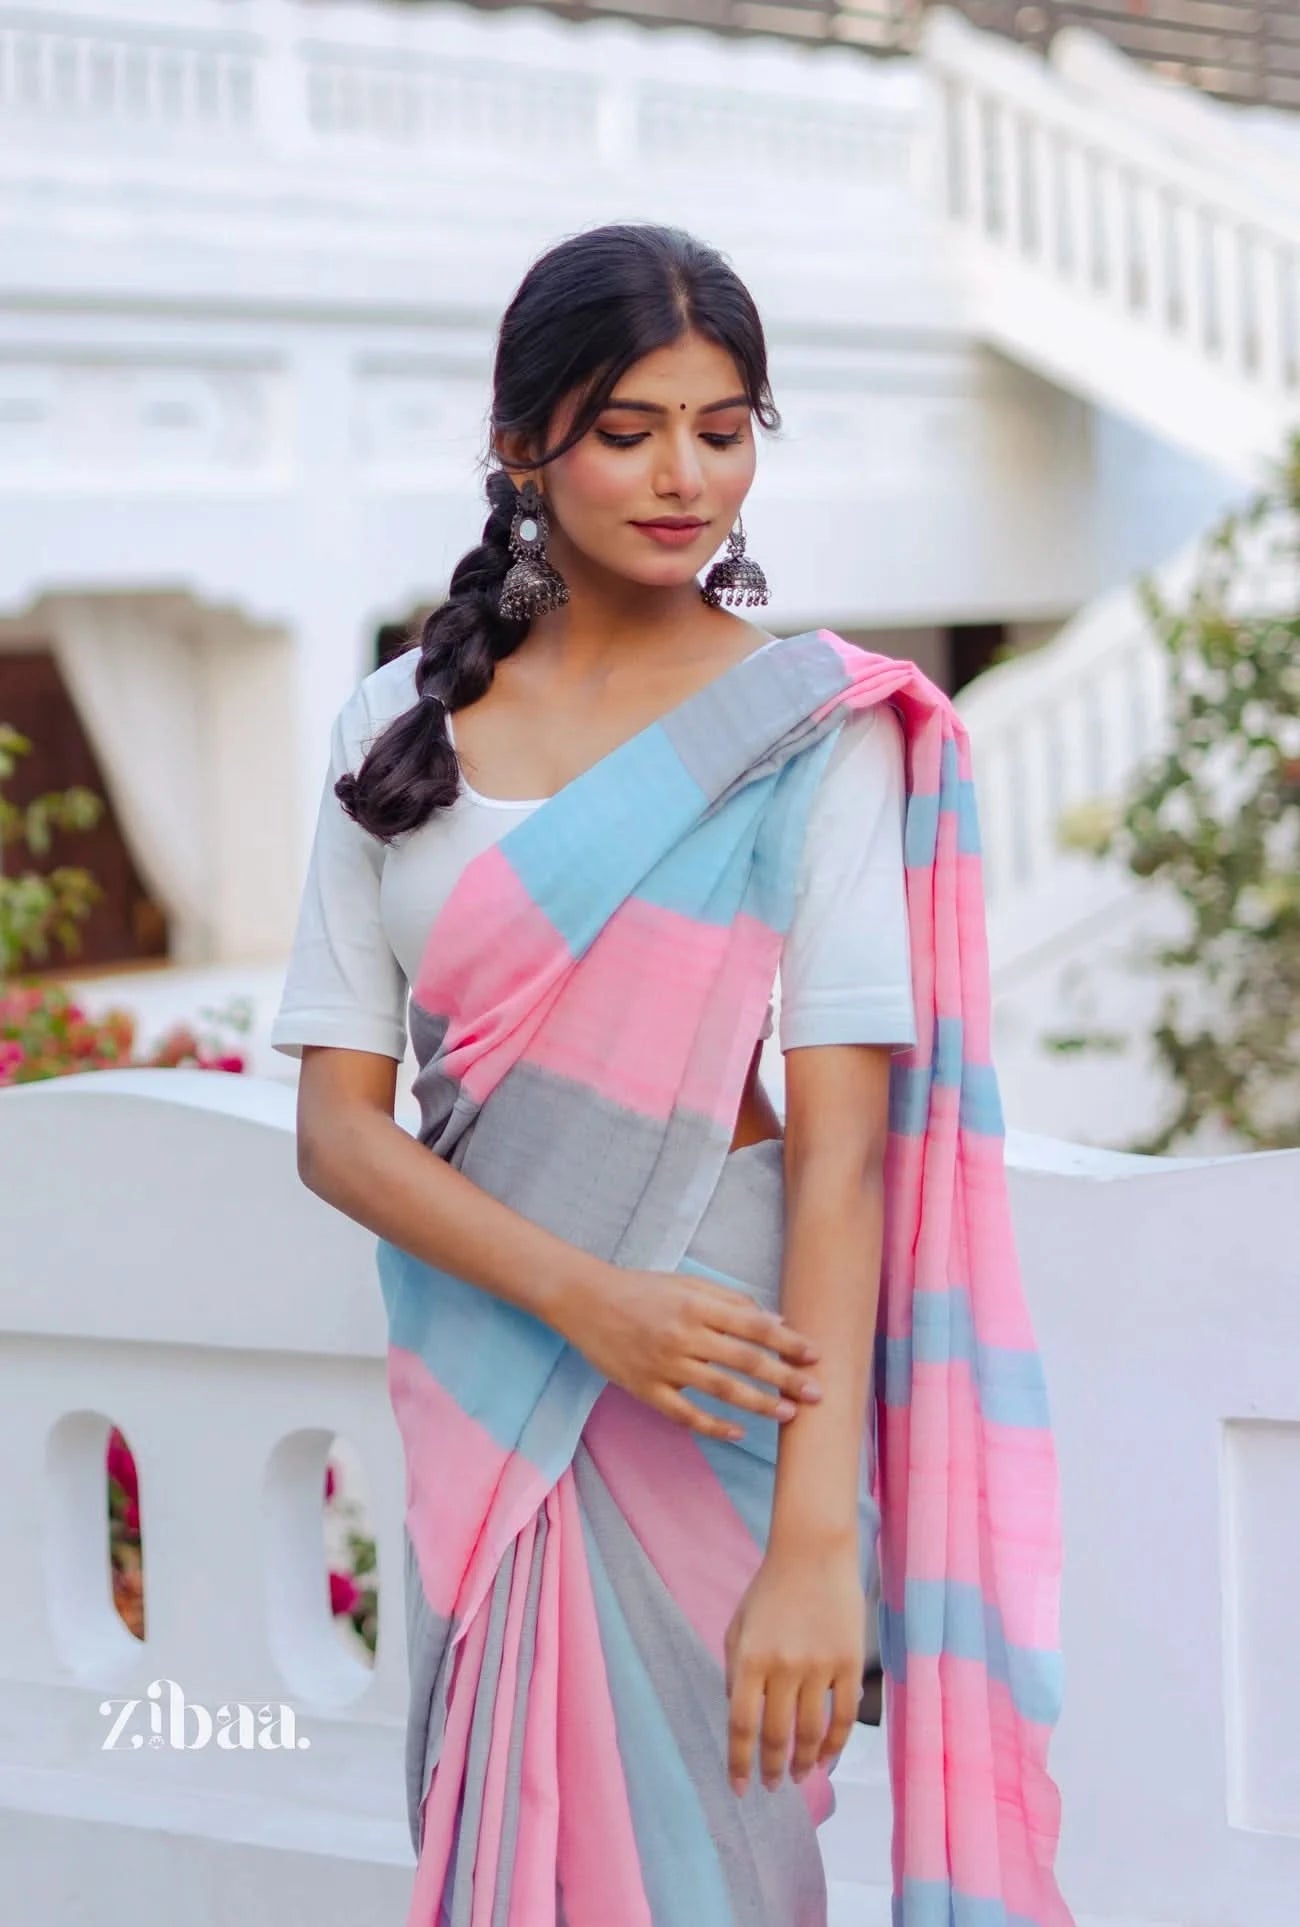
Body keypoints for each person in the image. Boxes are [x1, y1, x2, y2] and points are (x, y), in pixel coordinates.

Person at [271, 224, 1070, 1927]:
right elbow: (339, 1129)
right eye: (630, 429)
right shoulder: (392, 722)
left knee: (716, 1872)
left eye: (723, 427)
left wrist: (816, 1544)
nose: (683, 474)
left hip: (721, 1384)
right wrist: (585, 1302)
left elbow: (846, 1159)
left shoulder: (817, 727)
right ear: (523, 445)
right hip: (495, 1368)